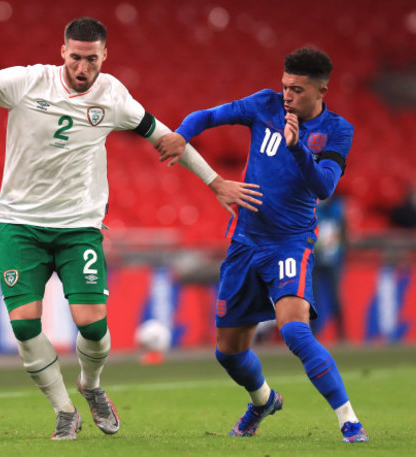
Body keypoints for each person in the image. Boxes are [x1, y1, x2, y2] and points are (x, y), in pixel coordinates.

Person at [0, 17, 261, 440]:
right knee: (24, 326)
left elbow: (166, 138)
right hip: (20, 224)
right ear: (62, 52)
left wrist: (215, 181)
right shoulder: (27, 82)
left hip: (78, 228)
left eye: (91, 59)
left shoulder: (115, 97)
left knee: (92, 326)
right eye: (75, 57)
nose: (82, 67)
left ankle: (90, 385)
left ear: (105, 56)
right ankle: (64, 410)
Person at [156, 47, 369, 443]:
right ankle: (263, 400)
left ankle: (349, 421)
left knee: (295, 333)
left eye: (298, 90)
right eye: (285, 86)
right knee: (228, 353)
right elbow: (206, 116)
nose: (287, 95)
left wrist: (296, 147)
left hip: (291, 243)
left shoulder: (338, 130)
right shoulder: (263, 104)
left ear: (322, 89)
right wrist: (181, 135)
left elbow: (324, 186)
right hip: (245, 242)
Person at [312, 193, 346, 341]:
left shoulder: (337, 209)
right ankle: (314, 333)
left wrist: (337, 247)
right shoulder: (313, 209)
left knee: (335, 297)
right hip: (316, 259)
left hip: (333, 259)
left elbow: (343, 233)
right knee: (313, 298)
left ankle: (341, 333)